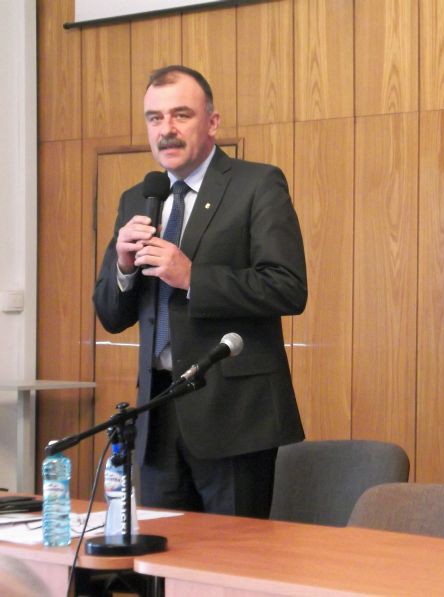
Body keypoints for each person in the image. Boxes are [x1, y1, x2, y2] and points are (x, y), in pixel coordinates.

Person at [93, 65, 307, 518]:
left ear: (212, 122)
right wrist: (124, 268)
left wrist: (193, 277)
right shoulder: (137, 198)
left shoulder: (257, 184)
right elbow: (111, 316)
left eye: (181, 115)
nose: (166, 130)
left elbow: (287, 287)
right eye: (154, 118)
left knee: (230, 557)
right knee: (162, 554)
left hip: (235, 419)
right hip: (157, 416)